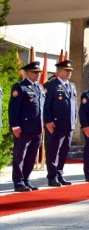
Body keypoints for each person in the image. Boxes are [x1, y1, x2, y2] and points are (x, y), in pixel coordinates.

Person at [9, 60, 44, 192]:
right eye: (35, 72)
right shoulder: (20, 87)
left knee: (31, 156)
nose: (37, 75)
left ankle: (26, 180)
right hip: (23, 129)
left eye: (38, 73)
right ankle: (18, 182)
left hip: (37, 128)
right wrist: (15, 126)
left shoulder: (39, 88)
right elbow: (13, 109)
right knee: (20, 156)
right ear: (27, 73)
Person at [42, 58, 77, 187]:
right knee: (53, 151)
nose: (69, 73)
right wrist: (48, 121)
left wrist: (74, 121)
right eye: (66, 70)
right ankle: (52, 177)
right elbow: (45, 106)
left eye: (70, 71)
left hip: (68, 125)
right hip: (55, 125)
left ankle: (59, 174)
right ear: (59, 71)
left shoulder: (72, 86)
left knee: (64, 151)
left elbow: (74, 106)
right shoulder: (51, 85)